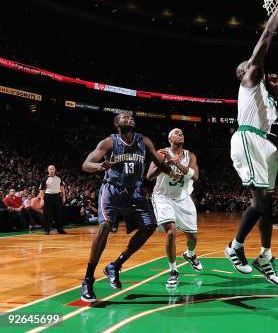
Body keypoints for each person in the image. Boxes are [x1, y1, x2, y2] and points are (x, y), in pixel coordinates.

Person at [225, 5, 278, 286]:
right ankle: (235, 247)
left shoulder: (264, 90)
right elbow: (264, 43)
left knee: (267, 205)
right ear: (243, 74)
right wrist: (277, 13)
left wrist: (276, 89)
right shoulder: (249, 83)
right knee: (261, 201)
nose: (250, 66)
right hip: (248, 138)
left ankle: (266, 255)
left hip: (266, 144)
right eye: (246, 66)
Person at [79, 113, 172, 302]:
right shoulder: (109, 142)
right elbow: (86, 164)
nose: (129, 118)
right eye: (124, 117)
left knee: (150, 226)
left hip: (135, 193)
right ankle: (88, 279)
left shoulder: (144, 141)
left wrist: (171, 169)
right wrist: (99, 166)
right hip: (112, 190)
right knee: (104, 226)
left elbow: (159, 163)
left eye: (131, 117)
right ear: (116, 124)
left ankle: (116, 265)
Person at [148, 128, 202, 288]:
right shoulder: (161, 153)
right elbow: (149, 176)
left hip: (182, 198)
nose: (180, 134)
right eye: (177, 133)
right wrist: (163, 164)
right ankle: (173, 271)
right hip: (163, 197)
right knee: (171, 231)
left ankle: (190, 254)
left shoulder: (189, 155)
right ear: (170, 138)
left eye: (182, 133)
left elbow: (196, 176)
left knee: (192, 237)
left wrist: (176, 163)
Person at [38, 165, 66, 235]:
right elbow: (41, 190)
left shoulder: (59, 178)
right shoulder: (45, 179)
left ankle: (60, 230)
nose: (51, 170)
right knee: (47, 214)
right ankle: (47, 230)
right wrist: (42, 199)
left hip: (57, 196)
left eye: (53, 169)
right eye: (50, 169)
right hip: (48, 197)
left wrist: (64, 197)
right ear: (48, 170)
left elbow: (62, 187)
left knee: (58, 214)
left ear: (55, 170)